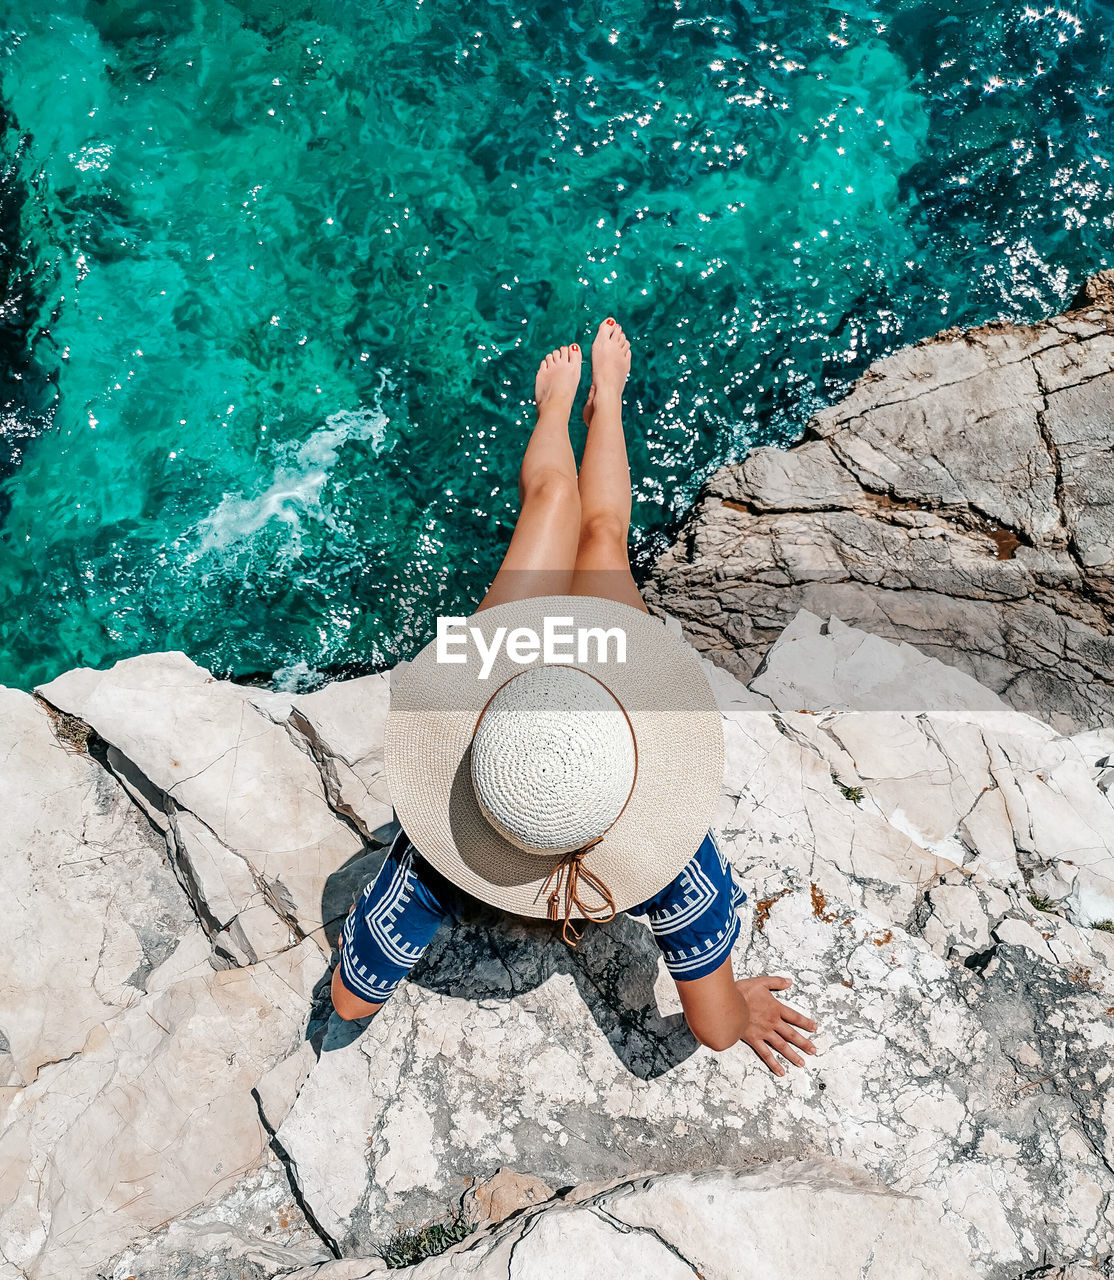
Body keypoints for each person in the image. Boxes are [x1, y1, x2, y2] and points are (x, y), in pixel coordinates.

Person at [330, 318, 819, 1079]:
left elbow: (352, 1002)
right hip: (573, 689)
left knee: (558, 505)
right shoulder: (674, 861)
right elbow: (718, 1029)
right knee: (600, 536)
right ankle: (606, 403)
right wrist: (739, 1001)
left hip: (508, 682)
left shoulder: (430, 861)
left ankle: (561, 412)